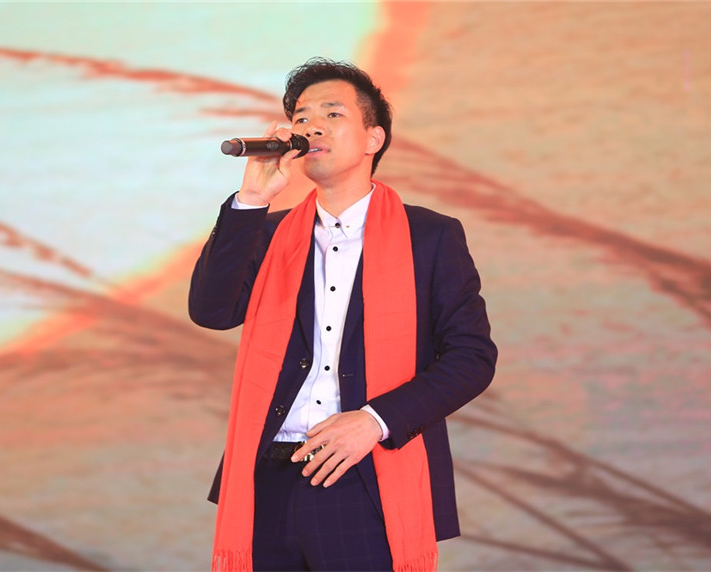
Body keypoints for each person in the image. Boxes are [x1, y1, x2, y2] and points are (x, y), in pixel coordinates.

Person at [189, 57, 497, 572]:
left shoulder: (430, 236)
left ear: (374, 138)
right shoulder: (267, 233)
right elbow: (211, 311)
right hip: (268, 477)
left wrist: (374, 422)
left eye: (332, 114)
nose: (311, 126)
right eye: (301, 117)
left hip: (367, 473)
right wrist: (251, 200)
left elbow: (472, 358)